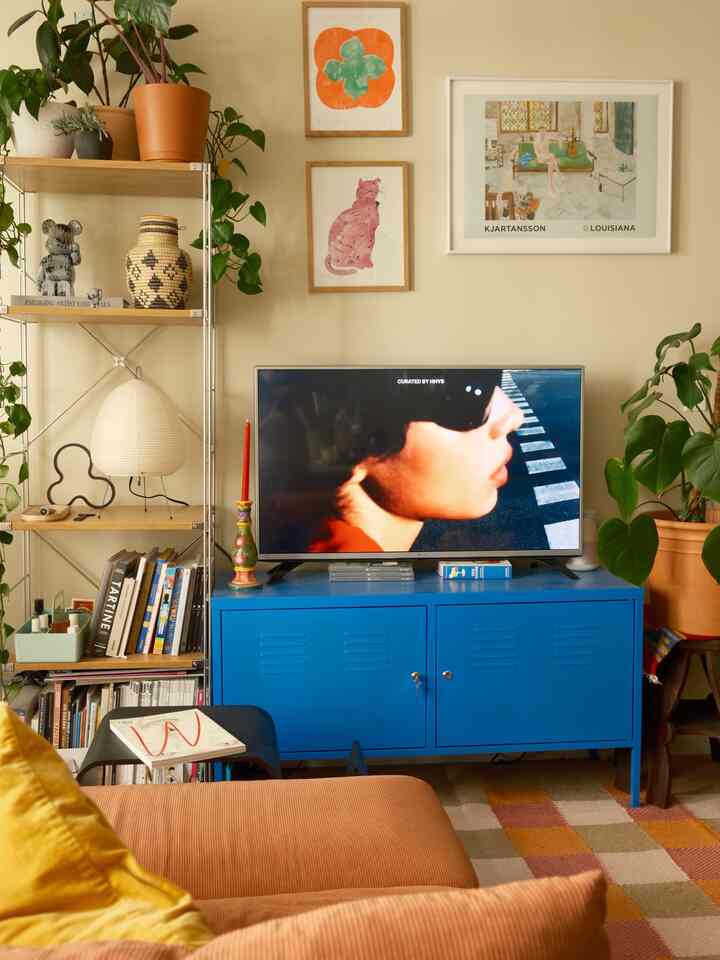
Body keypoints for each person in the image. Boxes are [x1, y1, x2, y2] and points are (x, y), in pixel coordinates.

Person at [257, 370, 523, 554]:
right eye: (464, 396)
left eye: (485, 379)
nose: (513, 416)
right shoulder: (349, 604)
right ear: (344, 438)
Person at [533, 128, 560, 194]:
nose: (542, 133)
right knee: (552, 156)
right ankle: (558, 172)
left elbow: (547, 151)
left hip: (546, 157)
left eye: (544, 132)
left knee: (551, 163)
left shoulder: (546, 140)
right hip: (540, 158)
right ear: (539, 132)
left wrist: (558, 138)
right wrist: (541, 156)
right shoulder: (536, 141)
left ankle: (551, 185)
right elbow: (536, 152)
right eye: (541, 132)